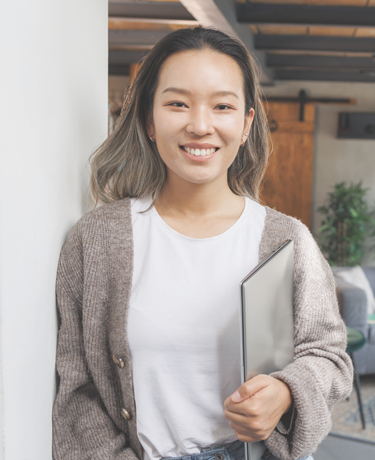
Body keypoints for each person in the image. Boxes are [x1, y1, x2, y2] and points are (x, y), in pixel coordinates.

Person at [52, 27, 353, 460]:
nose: (199, 125)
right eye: (177, 103)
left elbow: (329, 357)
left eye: (222, 106)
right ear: (147, 121)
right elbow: (79, 390)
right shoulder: (96, 241)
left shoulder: (287, 240)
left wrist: (287, 391)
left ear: (247, 123)